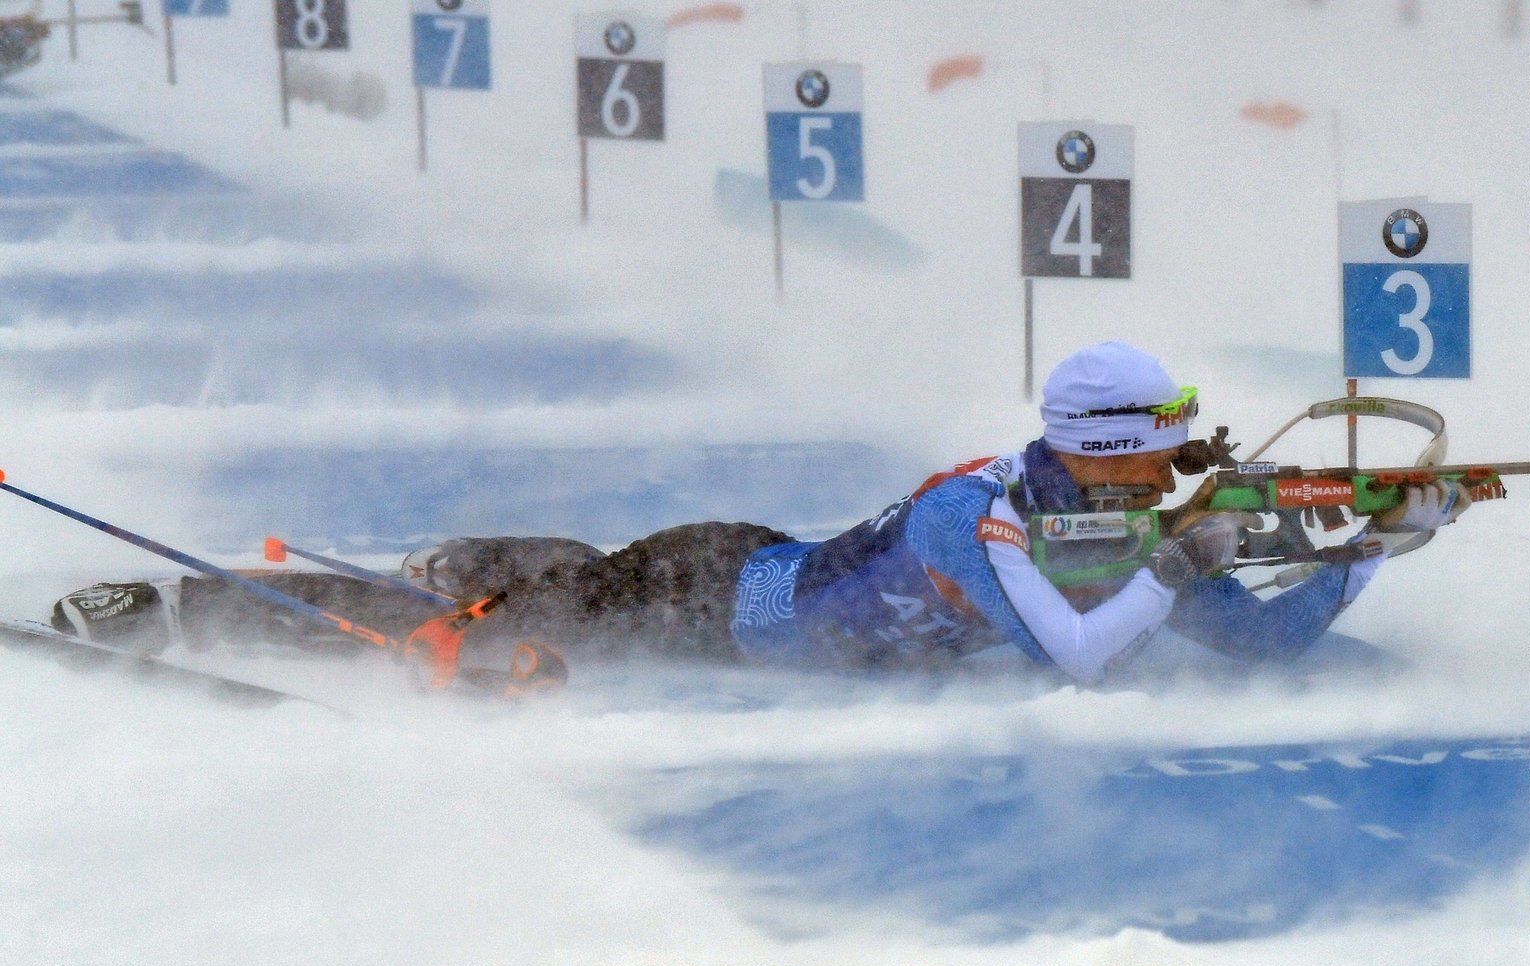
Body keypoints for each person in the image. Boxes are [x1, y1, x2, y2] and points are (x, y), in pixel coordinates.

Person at [48, 343, 1459, 685]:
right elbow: (1080, 656)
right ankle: (182, 606)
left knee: (536, 596)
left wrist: (1375, 554)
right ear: (1094, 450)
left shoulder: (1128, 533)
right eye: (1153, 457)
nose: (1172, 480)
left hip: (756, 583)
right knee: (477, 646)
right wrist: (1195, 549)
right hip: (711, 602)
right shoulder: (979, 512)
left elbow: (1255, 648)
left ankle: (478, 558)